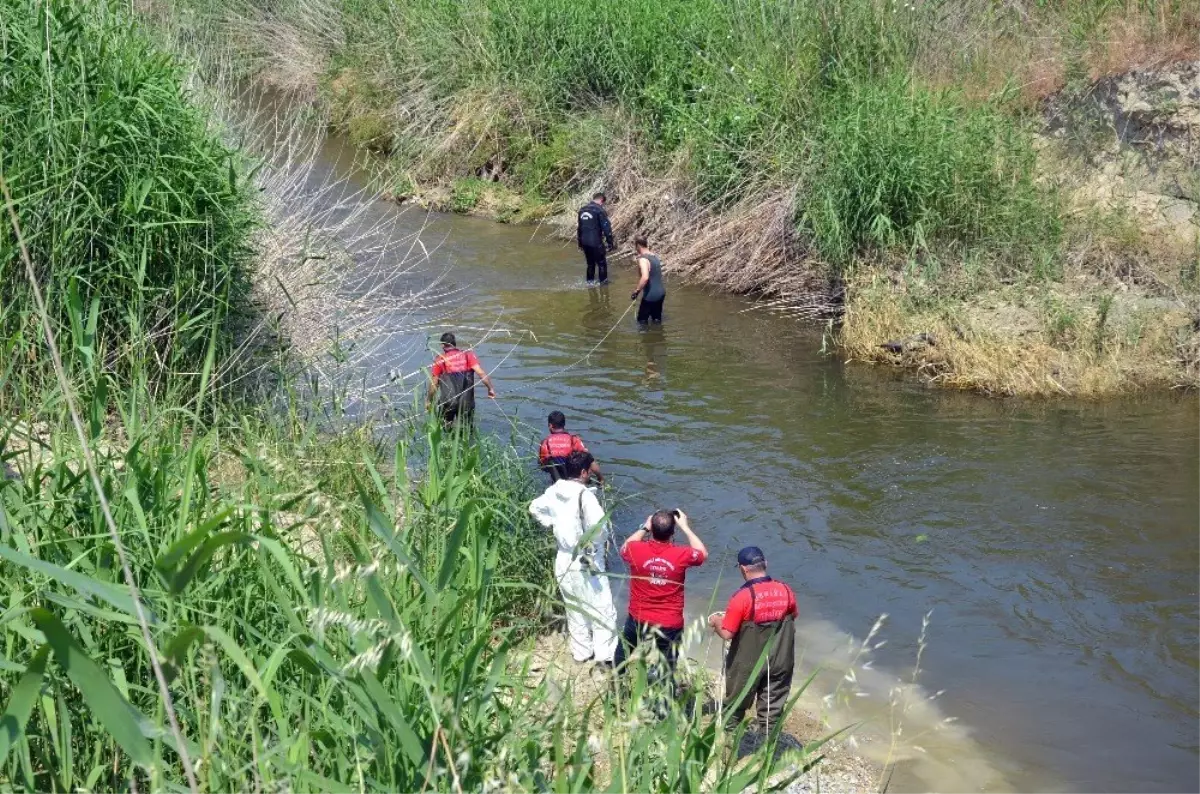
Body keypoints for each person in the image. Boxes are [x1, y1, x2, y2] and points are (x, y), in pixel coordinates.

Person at [529, 451, 618, 665]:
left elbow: (534, 508)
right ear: (584, 472)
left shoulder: (553, 490)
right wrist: (595, 543)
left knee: (574, 606)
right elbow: (600, 528)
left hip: (563, 557)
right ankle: (605, 656)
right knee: (601, 607)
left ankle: (581, 652)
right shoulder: (585, 495)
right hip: (586, 557)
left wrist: (552, 523)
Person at [707, 546, 798, 735]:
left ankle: (727, 742)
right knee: (772, 705)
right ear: (766, 564)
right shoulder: (786, 590)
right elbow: (792, 616)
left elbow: (727, 634)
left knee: (736, 702)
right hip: (780, 659)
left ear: (743, 569)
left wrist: (716, 621)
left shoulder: (741, 597)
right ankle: (767, 748)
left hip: (749, 662)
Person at [613, 509, 707, 674]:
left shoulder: (635, 549)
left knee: (623, 653)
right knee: (666, 665)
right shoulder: (681, 554)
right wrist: (685, 527)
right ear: (672, 532)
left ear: (652, 529)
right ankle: (659, 693)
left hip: (638, 617)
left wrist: (645, 527)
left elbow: (624, 547)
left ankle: (616, 687)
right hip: (669, 622)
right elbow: (703, 554)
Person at [425, 332, 495, 426]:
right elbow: (481, 373)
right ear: (454, 344)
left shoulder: (440, 359)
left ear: (442, 345)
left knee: (445, 430)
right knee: (466, 431)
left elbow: (434, 384)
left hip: (448, 402)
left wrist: (429, 400)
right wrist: (490, 389)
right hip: (466, 403)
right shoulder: (468, 355)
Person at [538, 411, 604, 484]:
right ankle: (601, 481)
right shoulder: (573, 439)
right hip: (574, 478)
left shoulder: (545, 443)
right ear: (564, 424)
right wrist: (600, 478)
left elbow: (542, 465)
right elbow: (588, 459)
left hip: (557, 481)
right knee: (588, 456)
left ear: (550, 425)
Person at [577, 192, 615, 285]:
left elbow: (579, 228)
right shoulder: (599, 210)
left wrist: (580, 243)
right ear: (601, 200)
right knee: (602, 264)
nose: (603, 205)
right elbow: (606, 228)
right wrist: (610, 243)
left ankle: (589, 284)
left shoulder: (582, 210)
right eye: (603, 203)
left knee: (590, 264)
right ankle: (604, 286)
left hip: (584, 241)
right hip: (595, 242)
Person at [629, 236, 665, 325]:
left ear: (638, 245)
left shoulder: (643, 259)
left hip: (651, 295)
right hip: (661, 293)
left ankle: (646, 338)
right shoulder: (654, 256)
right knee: (656, 320)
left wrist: (636, 291)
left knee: (641, 322)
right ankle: (658, 337)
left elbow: (645, 277)